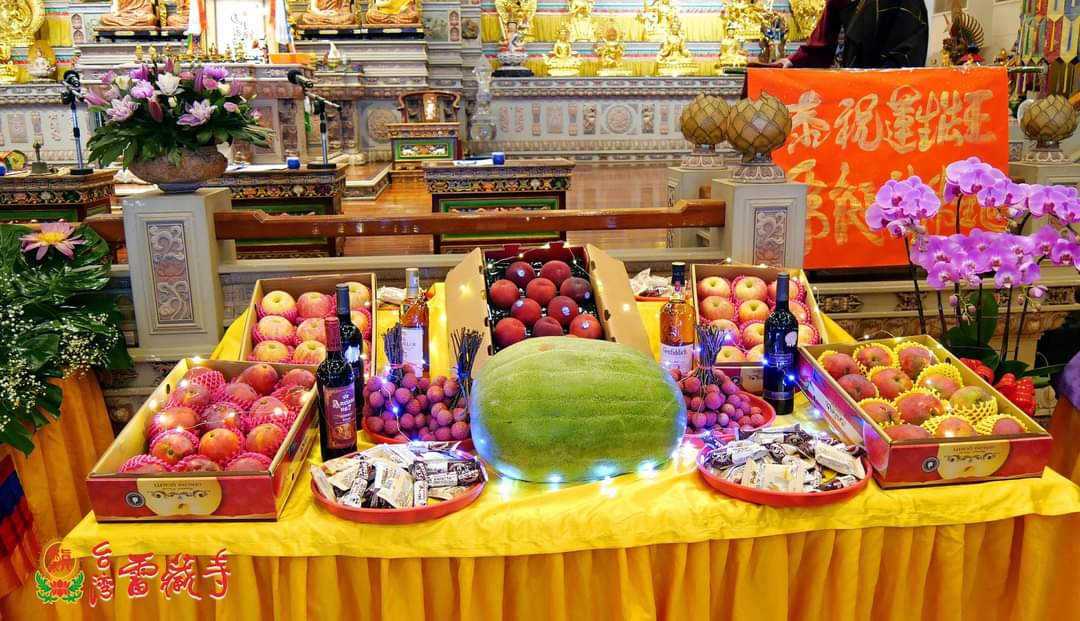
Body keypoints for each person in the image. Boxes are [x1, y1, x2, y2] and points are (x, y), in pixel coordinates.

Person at [777, 0, 928, 69]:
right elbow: (821, 45)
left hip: (897, 74)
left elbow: (911, 44)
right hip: (858, 72)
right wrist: (793, 61)